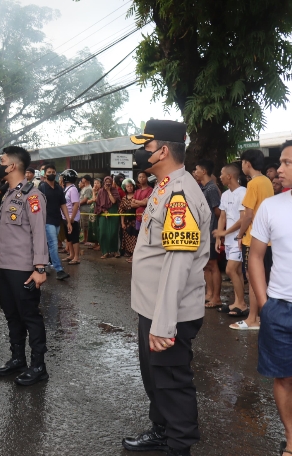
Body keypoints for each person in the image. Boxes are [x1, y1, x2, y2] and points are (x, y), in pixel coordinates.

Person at [123, 120, 211, 456]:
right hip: (153, 307)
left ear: (162, 150)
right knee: (155, 378)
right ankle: (162, 431)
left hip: (167, 312)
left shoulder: (179, 193)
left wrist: (163, 324)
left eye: (145, 145)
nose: (140, 152)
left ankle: (179, 446)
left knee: (172, 383)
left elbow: (177, 262)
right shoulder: (165, 185)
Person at [249, 138, 292, 456]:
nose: (278, 169)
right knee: (286, 378)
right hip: (281, 308)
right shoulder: (272, 206)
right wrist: (265, 305)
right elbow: (255, 255)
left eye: (287, 162)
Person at [0, 146, 50, 386]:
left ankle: (38, 366)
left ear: (13, 166)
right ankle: (18, 359)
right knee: (11, 315)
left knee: (29, 317)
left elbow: (39, 233)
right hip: (6, 268)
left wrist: (40, 269)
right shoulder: (7, 194)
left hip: (25, 270)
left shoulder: (32, 195)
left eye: (3, 161)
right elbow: (5, 235)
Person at [230, 149, 274, 331]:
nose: (242, 166)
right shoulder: (267, 182)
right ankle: (258, 318)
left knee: (254, 278)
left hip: (253, 239)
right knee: (262, 279)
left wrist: (239, 235)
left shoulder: (254, 184)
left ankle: (252, 319)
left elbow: (247, 215)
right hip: (267, 240)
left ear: (248, 163)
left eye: (242, 162)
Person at [213, 164, 248, 317]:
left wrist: (225, 232)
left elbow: (243, 219)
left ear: (230, 176)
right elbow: (222, 216)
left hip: (239, 238)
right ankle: (237, 303)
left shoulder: (243, 192)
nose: (219, 176)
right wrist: (220, 237)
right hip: (228, 239)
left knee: (230, 270)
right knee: (237, 272)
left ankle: (242, 304)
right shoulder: (226, 194)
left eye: (221, 173)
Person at [193, 159, 222, 309]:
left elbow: (218, 212)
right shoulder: (203, 188)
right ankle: (209, 293)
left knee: (212, 264)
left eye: (197, 169)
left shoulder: (211, 189)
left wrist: (219, 232)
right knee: (205, 264)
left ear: (204, 171)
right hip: (203, 232)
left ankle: (216, 297)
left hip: (211, 231)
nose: (195, 172)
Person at [38, 164, 72, 280]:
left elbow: (63, 204)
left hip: (57, 220)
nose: (51, 174)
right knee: (53, 244)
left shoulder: (59, 188)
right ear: (45, 174)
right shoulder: (41, 187)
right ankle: (59, 270)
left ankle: (44, 265)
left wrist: (68, 221)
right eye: (49, 172)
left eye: (53, 172)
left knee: (49, 244)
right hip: (46, 220)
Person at [61, 169, 82, 265]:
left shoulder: (73, 189)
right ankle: (71, 255)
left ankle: (76, 257)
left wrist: (72, 218)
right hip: (66, 217)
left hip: (71, 218)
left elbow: (76, 204)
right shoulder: (67, 188)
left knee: (74, 238)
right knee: (68, 237)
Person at [96, 175, 120, 259]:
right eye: (106, 184)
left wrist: (109, 191)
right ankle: (105, 251)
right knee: (103, 233)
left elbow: (113, 201)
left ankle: (114, 251)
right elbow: (98, 204)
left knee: (113, 233)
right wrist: (104, 211)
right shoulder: (100, 192)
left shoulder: (115, 191)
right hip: (103, 213)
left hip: (113, 212)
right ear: (104, 183)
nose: (108, 185)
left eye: (109, 183)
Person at [119, 178, 138, 262]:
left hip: (135, 220)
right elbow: (121, 211)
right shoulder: (124, 198)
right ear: (125, 188)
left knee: (135, 237)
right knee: (127, 237)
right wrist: (122, 223)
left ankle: (134, 254)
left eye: (131, 186)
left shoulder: (137, 195)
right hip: (127, 221)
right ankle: (129, 253)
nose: (129, 188)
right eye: (127, 186)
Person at [79, 174, 94, 247]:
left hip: (86, 209)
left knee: (86, 225)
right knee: (83, 225)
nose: (82, 179)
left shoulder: (88, 188)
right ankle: (84, 239)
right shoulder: (84, 187)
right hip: (82, 209)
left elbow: (85, 199)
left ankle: (87, 239)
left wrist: (77, 204)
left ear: (86, 180)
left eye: (83, 178)